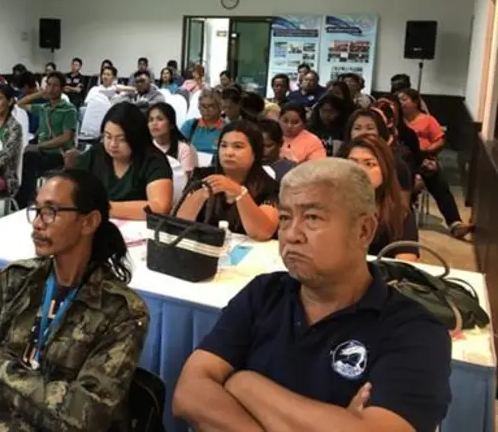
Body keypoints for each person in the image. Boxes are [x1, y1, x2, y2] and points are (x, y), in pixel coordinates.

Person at [173, 158, 451, 432]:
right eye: (285, 218)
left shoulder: (414, 331)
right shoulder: (264, 294)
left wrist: (244, 385)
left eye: (312, 218)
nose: (291, 235)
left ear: (364, 230)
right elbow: (189, 394)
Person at [0, 169, 149, 432]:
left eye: (51, 211)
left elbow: (85, 418)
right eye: (37, 210)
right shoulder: (13, 281)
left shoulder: (121, 312)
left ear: (89, 222)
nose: (37, 223)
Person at [177, 120, 279, 240]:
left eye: (238, 146)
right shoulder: (201, 176)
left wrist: (240, 193)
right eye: (224, 146)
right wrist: (202, 194)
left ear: (255, 153)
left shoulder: (270, 187)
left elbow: (263, 233)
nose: (228, 153)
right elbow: (179, 222)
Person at [70, 103, 173, 220]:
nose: (113, 144)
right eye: (108, 137)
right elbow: (70, 186)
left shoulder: (153, 160)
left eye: (121, 139)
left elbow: (159, 207)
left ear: (136, 137)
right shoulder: (96, 154)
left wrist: (105, 207)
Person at [398, 88, 473, 239]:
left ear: (415, 102)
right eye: (399, 100)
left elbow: (440, 141)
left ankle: (455, 223)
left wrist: (427, 150)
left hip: (424, 159)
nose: (402, 103)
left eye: (405, 99)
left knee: (438, 182)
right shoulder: (397, 123)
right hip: (403, 162)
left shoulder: (428, 120)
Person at [339, 135, 419, 261]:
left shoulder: (400, 214)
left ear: (385, 169)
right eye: (352, 163)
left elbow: (405, 262)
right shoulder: (330, 207)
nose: (360, 170)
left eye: (369, 164)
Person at [15, 72, 78, 207]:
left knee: (29, 156)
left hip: (58, 154)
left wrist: (39, 146)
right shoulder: (44, 108)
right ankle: (25, 199)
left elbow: (66, 137)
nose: (51, 89)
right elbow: (20, 103)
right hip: (42, 153)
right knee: (24, 157)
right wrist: (40, 93)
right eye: (48, 85)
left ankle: (27, 200)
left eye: (55, 86)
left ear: (62, 89)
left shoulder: (69, 110)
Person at [345, 108, 413, 200]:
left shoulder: (396, 165)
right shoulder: (340, 159)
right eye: (357, 128)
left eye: (370, 128)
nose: (363, 132)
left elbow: (402, 205)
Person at [148, 102, 197, 176]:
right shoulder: (145, 148)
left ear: (171, 124)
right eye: (151, 120)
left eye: (160, 119)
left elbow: (185, 179)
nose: (154, 123)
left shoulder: (183, 149)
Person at [180, 89, 225, 155]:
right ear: (199, 107)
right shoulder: (190, 125)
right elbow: (178, 149)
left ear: (220, 107)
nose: (206, 110)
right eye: (203, 106)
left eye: (211, 106)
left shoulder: (227, 128)